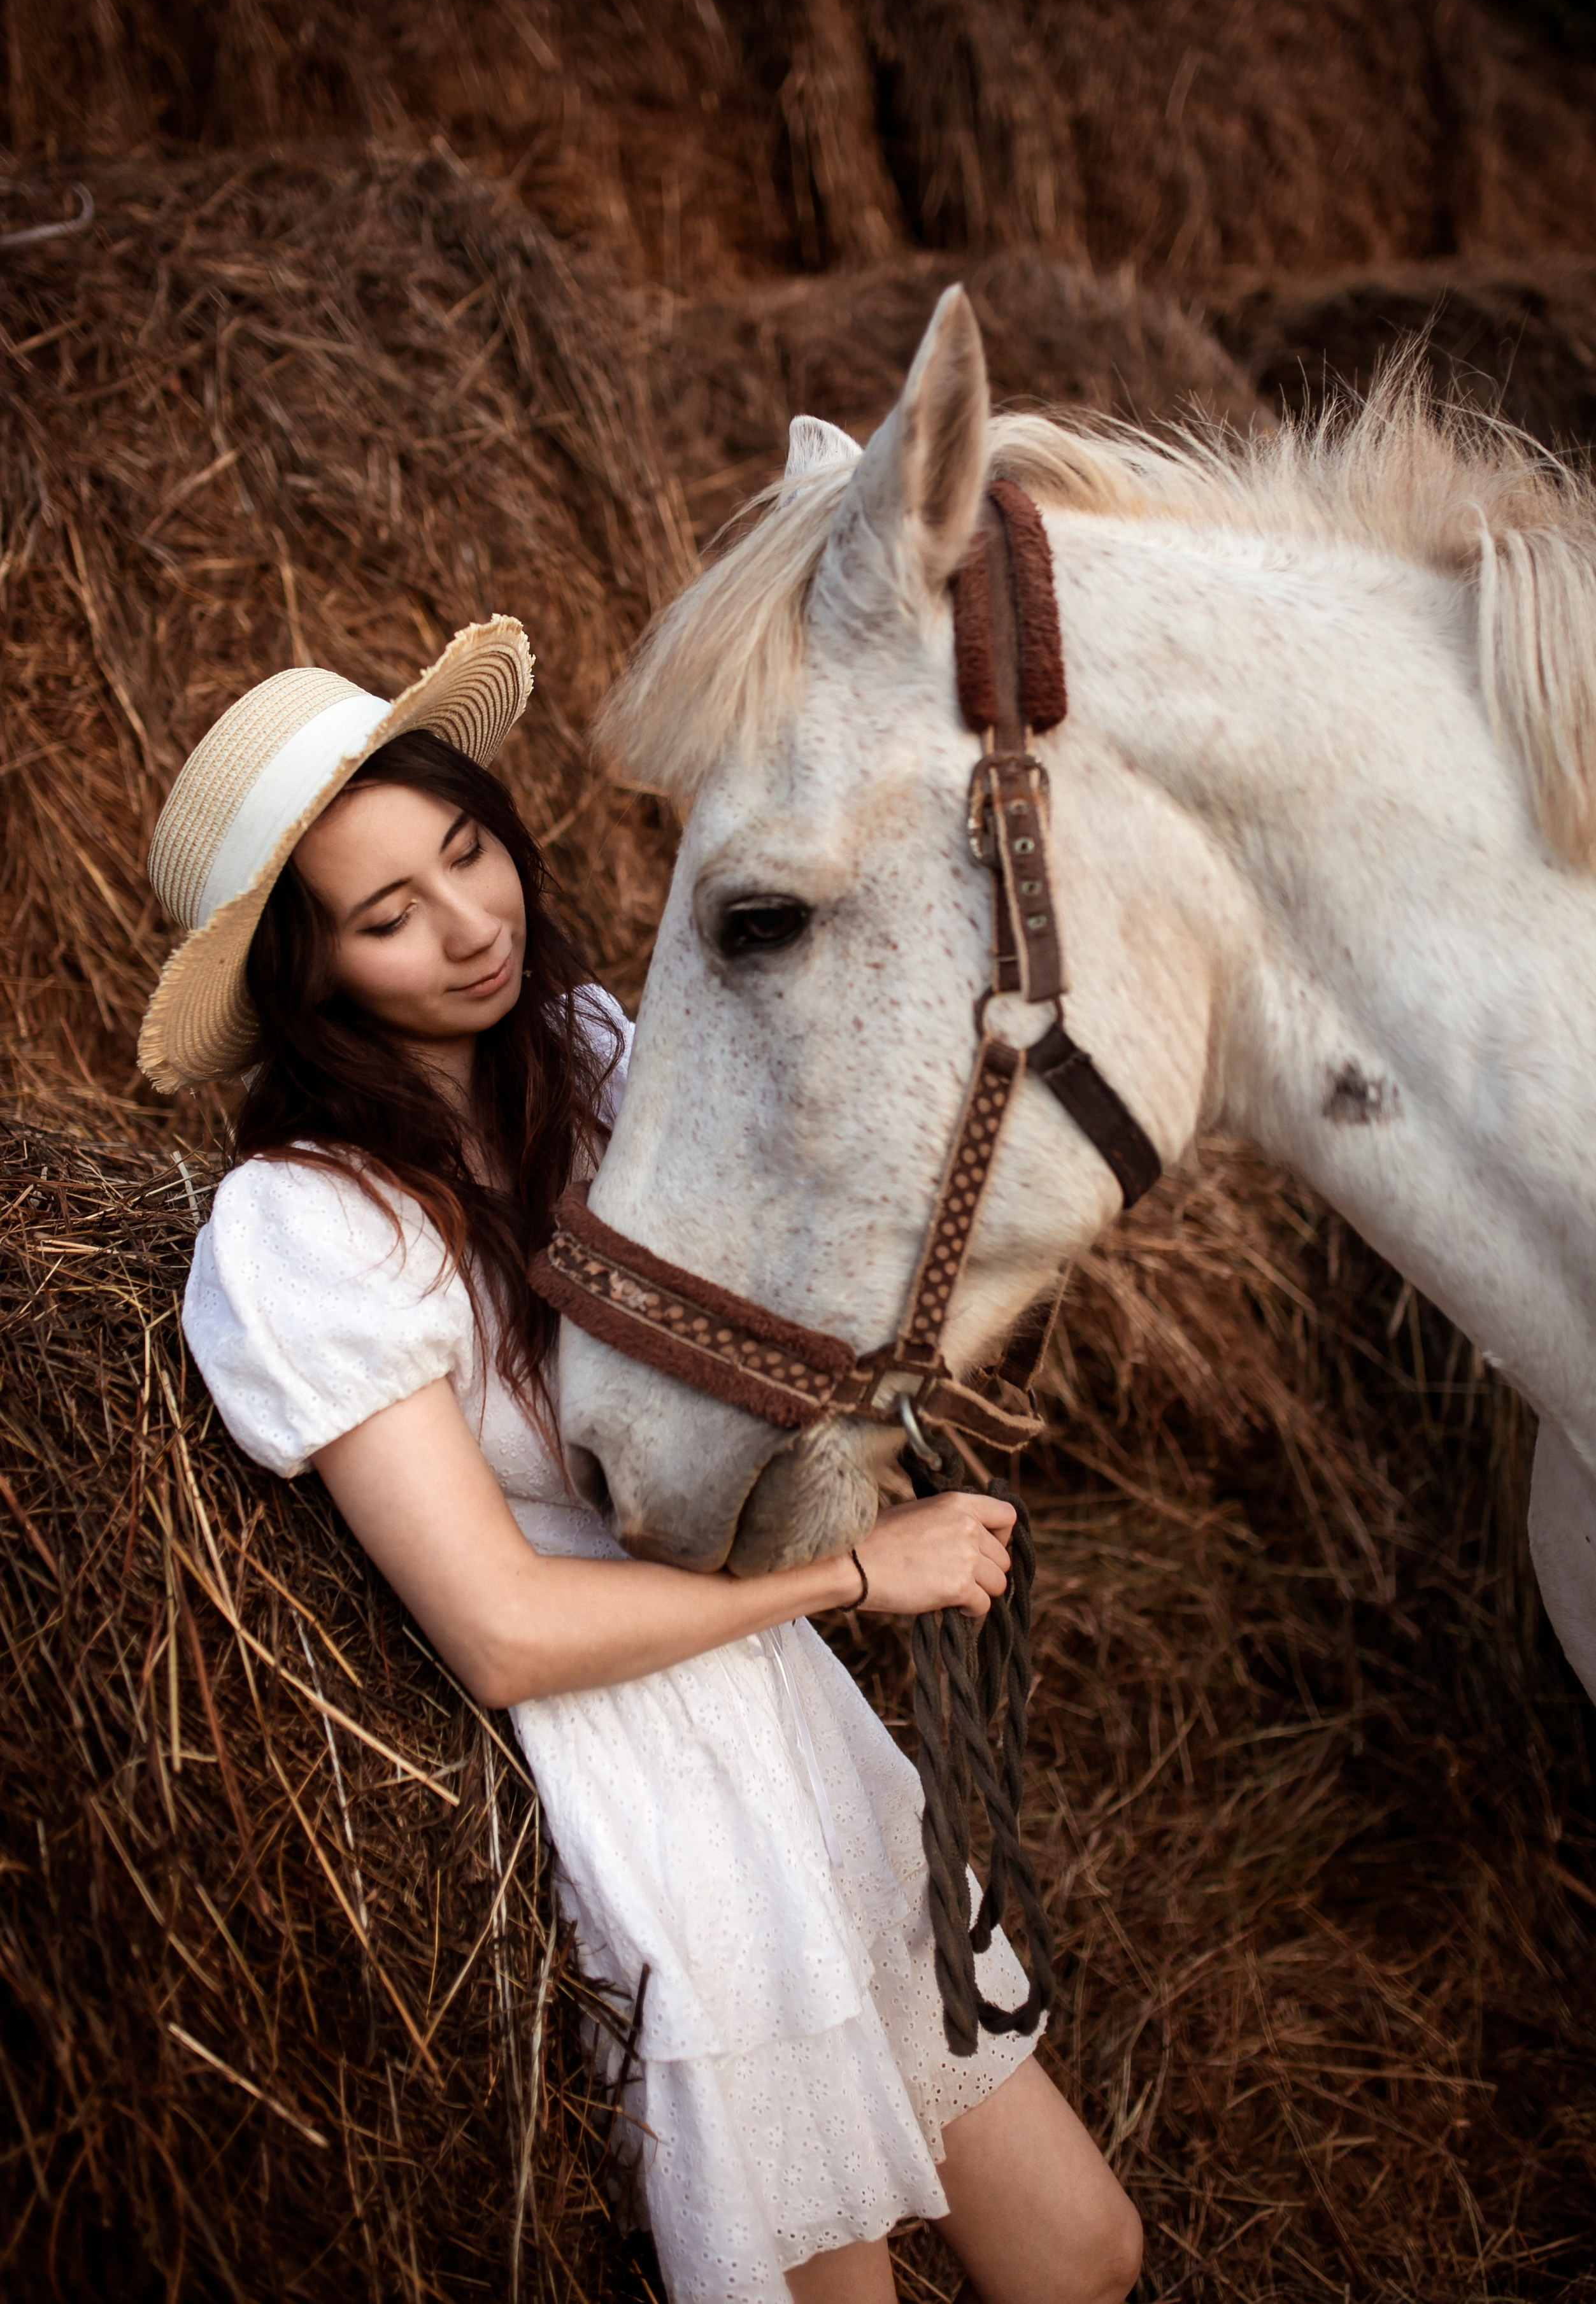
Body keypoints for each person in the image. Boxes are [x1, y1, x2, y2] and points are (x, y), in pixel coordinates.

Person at [138, 618, 1142, 2304]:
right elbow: (505, 1629)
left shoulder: (601, 1062)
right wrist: (846, 1577)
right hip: (639, 1800)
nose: (471, 926)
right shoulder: (308, 1226)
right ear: (305, 979)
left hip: (774, 1722)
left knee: (1082, 2256)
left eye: (469, 853)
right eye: (388, 918)